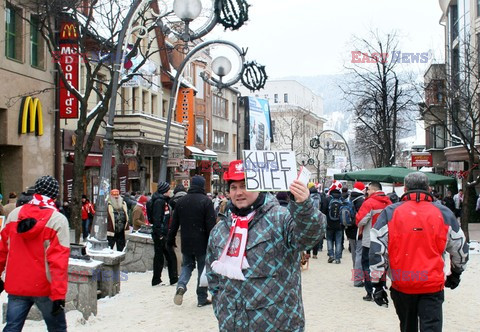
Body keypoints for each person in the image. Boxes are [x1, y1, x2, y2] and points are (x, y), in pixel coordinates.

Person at [206, 160, 325, 331]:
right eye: (234, 187)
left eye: (245, 185)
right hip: (232, 325)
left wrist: (304, 207)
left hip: (278, 325)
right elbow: (213, 277)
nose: (239, 192)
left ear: (259, 186)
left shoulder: (280, 218)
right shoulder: (220, 230)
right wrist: (222, 310)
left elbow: (310, 237)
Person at [370, 172, 469, 331]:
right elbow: (460, 247)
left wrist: (378, 283)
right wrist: (456, 272)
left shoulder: (390, 213)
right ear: (428, 188)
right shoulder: (443, 213)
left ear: (405, 188)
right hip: (431, 284)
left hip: (402, 283)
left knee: (407, 326)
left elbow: (377, 250)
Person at [0, 175, 70, 331]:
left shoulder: (15, 215)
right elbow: (59, 261)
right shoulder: (58, 220)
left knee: (12, 327)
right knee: (57, 329)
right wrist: (59, 294)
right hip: (44, 287)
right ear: (55, 194)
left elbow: (2, 250)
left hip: (17, 284)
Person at [168, 176, 216, 307]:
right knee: (202, 270)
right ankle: (201, 298)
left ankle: (181, 285)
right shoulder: (206, 202)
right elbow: (211, 225)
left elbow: (174, 224)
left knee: (187, 266)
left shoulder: (181, 202)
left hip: (186, 240)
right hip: (203, 241)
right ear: (202, 186)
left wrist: (170, 239)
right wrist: (214, 242)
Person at [355, 181, 391, 301]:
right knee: (382, 264)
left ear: (374, 190)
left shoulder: (369, 203)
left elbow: (360, 221)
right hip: (386, 240)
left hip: (370, 240)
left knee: (367, 265)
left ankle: (370, 291)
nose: (367, 191)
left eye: (369, 189)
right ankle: (381, 288)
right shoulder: (389, 203)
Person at [147, 182, 178, 286]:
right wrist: (160, 234)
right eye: (169, 189)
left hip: (162, 232)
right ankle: (168, 279)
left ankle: (161, 279)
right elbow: (157, 219)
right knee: (167, 256)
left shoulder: (163, 201)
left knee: (162, 256)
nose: (170, 191)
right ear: (165, 191)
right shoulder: (159, 202)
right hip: (161, 233)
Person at [346, 181, 365, 287]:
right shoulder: (361, 200)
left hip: (349, 229)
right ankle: (358, 278)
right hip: (358, 230)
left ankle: (355, 274)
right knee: (359, 254)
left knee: (354, 254)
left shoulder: (350, 198)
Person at [321, 180, 345, 264]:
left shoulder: (327, 199)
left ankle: (331, 255)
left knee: (329, 239)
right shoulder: (342, 200)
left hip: (329, 223)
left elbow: (323, 211)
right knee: (338, 241)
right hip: (339, 224)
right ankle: (338, 258)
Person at [306, 182, 323, 258]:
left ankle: (308, 253)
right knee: (315, 236)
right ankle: (315, 254)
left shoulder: (308, 197)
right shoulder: (319, 196)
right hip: (317, 217)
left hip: (309, 218)